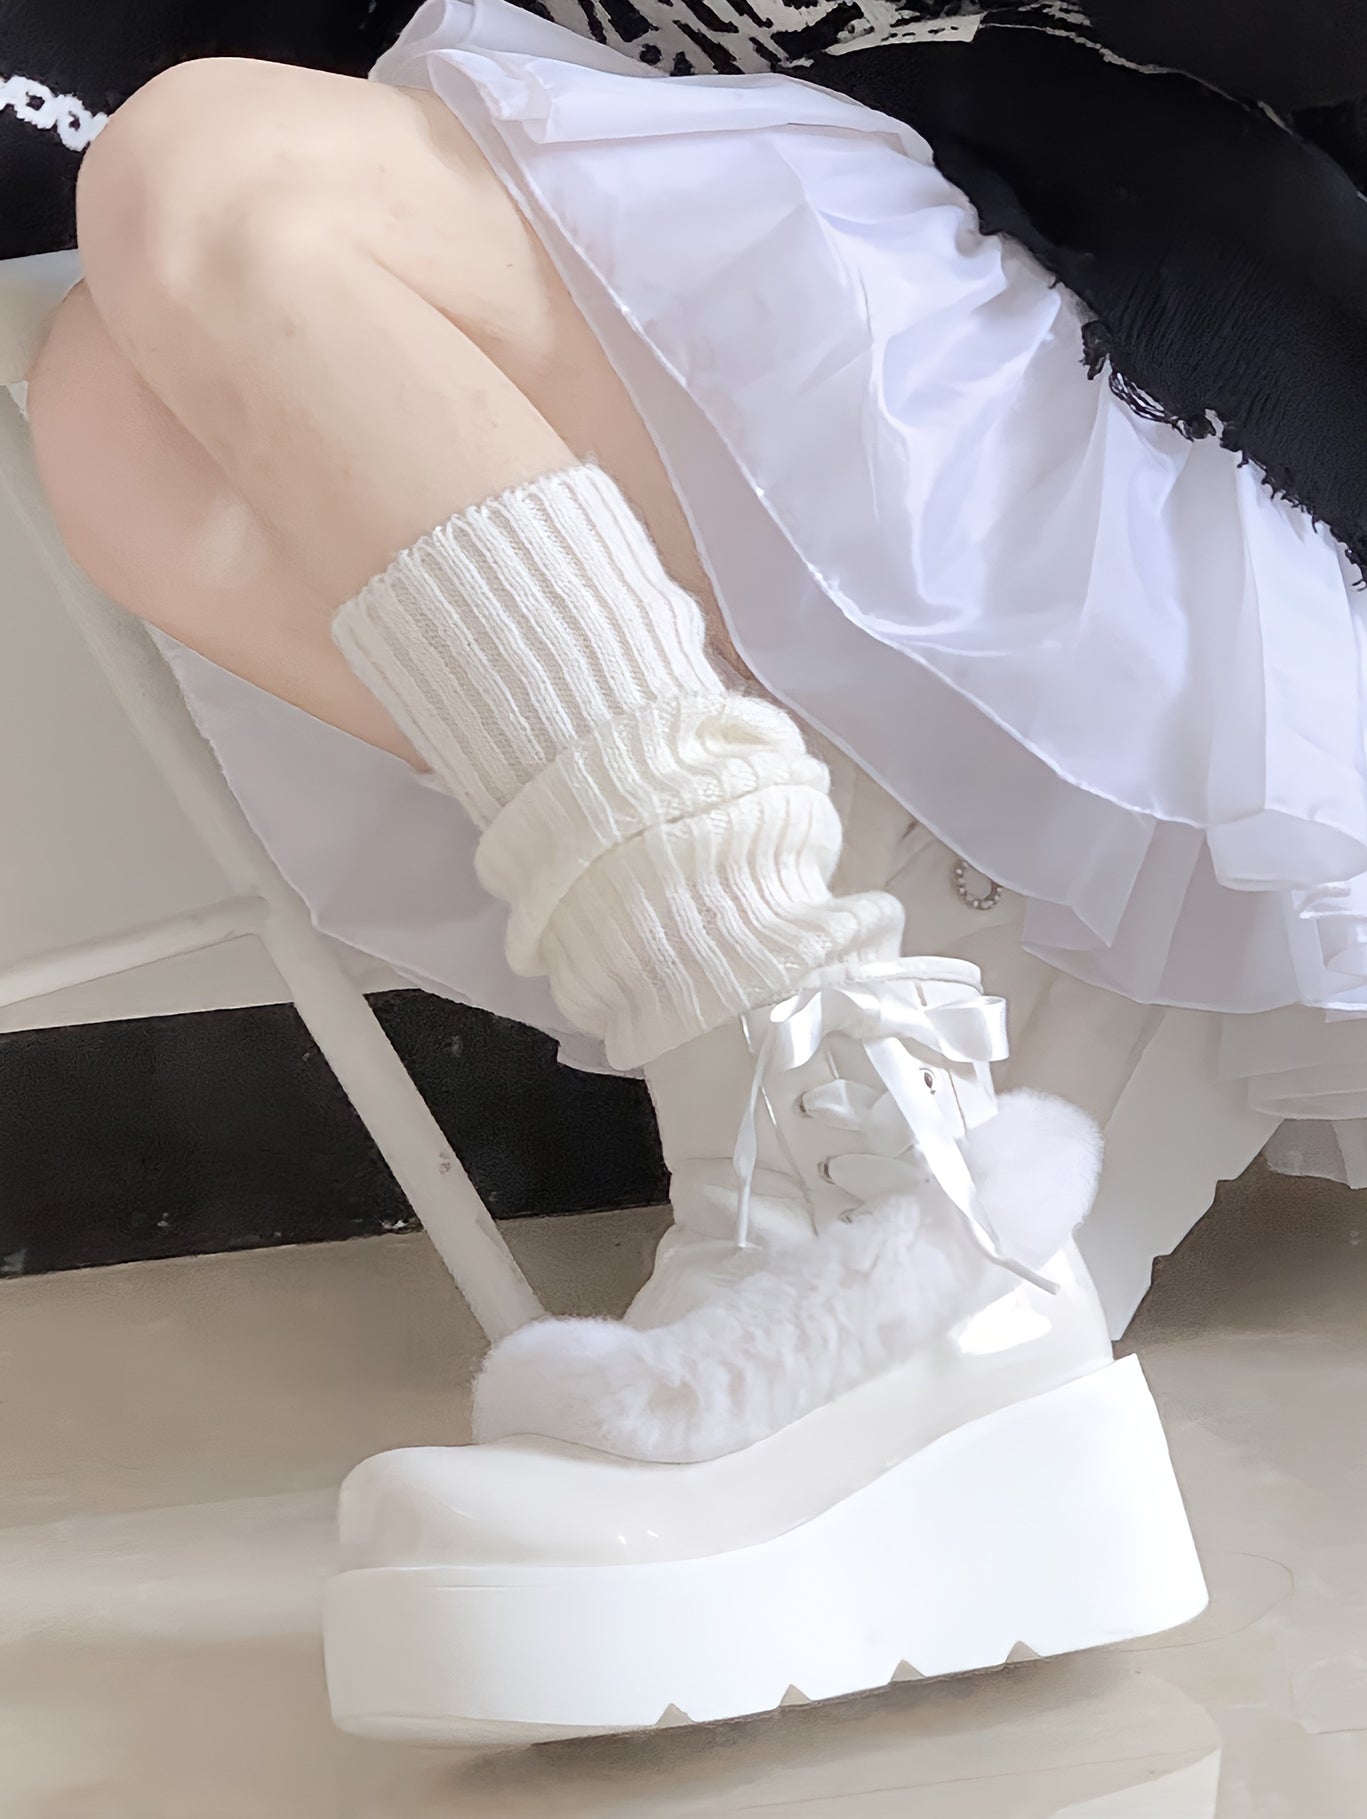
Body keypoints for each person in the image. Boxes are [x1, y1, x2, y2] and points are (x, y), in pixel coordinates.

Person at [22, 0, 1367, 1742]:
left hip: (1106, 255)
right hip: (738, 241)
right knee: (118, 403)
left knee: (219, 175)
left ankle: (876, 1196)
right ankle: (877, 1042)